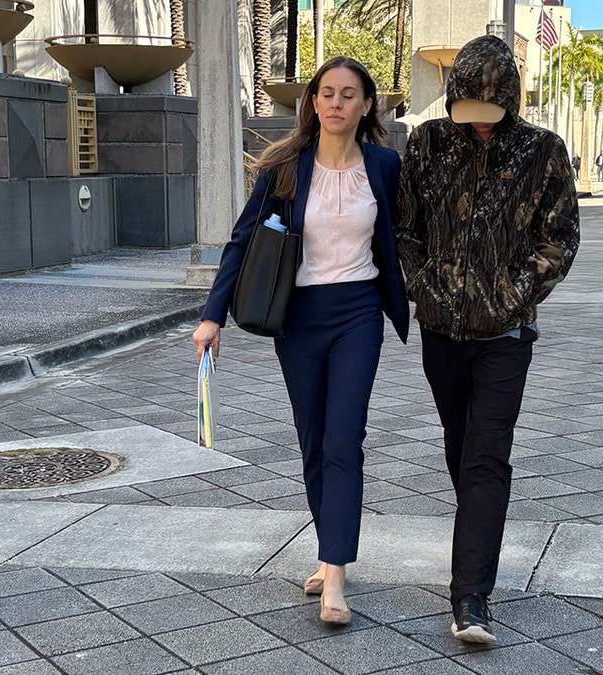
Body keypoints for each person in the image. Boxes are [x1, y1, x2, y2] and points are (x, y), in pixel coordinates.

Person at [193, 56, 409, 626]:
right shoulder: (286, 168)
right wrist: (212, 316)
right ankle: (327, 550)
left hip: (360, 313)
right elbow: (242, 241)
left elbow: (407, 238)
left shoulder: (385, 166)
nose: (336, 103)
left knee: (344, 439)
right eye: (327, 93)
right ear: (313, 102)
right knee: (313, 440)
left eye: (349, 94)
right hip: (300, 318)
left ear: (366, 106)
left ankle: (335, 576)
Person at [396, 34, 581, 645]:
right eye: (466, 111)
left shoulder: (542, 151)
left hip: (505, 334)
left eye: (489, 112)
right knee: (460, 447)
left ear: (511, 99)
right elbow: (405, 228)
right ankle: (477, 531)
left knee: (486, 454)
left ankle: (470, 597)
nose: (476, 124)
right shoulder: (426, 143)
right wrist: (426, 286)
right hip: (441, 330)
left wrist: (513, 292)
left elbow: (560, 240)